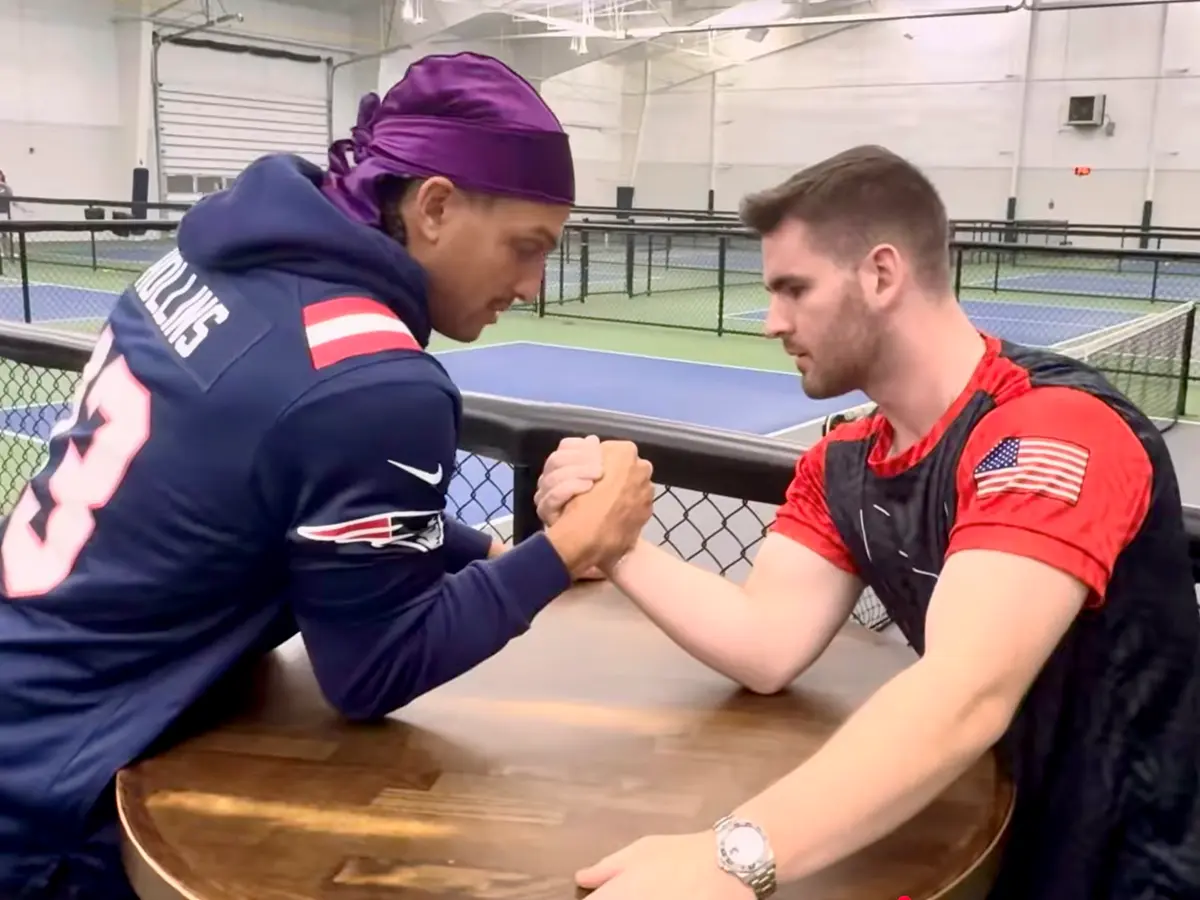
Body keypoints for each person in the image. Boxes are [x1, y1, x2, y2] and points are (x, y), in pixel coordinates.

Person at [0, 52, 653, 899]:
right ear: (436, 207)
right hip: (61, 795)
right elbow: (371, 671)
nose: (531, 286)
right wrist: (562, 550)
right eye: (524, 248)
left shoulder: (206, 262)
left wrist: (488, 551)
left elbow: (279, 491)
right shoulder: (374, 382)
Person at [535, 146, 1200, 900]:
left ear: (882, 274)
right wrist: (609, 539)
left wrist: (730, 859)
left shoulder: (1049, 432)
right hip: (976, 836)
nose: (772, 323)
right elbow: (765, 646)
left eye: (794, 290)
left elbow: (965, 691)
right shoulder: (846, 460)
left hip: (1131, 865)